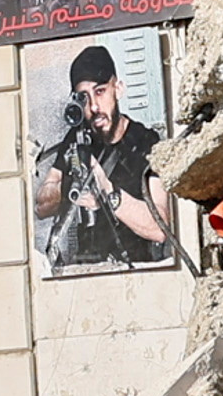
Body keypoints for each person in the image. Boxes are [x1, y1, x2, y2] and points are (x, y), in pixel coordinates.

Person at [31, 45, 171, 270]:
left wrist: (108, 192)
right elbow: (41, 207)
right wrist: (69, 189)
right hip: (86, 269)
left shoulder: (146, 142)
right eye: (84, 98)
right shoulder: (76, 139)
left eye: (100, 91)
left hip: (135, 271)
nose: (94, 106)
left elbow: (160, 229)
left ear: (118, 88)